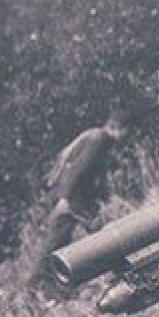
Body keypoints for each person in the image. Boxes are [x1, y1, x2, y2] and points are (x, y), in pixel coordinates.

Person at [28, 113, 126, 296]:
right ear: (117, 128)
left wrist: (102, 195)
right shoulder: (100, 139)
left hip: (75, 197)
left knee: (59, 241)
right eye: (124, 131)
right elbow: (77, 170)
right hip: (72, 199)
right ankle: (37, 286)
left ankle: (46, 286)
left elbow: (93, 175)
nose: (123, 137)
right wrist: (65, 199)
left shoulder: (95, 136)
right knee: (98, 234)